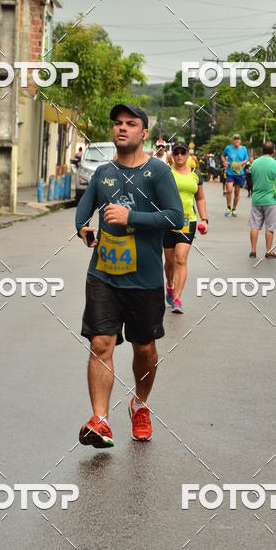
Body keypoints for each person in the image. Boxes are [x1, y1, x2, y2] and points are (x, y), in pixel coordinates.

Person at [75, 103, 184, 448]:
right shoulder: (103, 172)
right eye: (118, 123)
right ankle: (101, 420)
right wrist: (83, 227)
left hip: (145, 280)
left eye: (130, 123)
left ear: (143, 132)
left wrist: (132, 217)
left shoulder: (158, 173)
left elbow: (175, 218)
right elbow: (84, 208)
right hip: (104, 274)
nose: (122, 128)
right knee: (101, 343)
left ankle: (140, 404)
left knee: (144, 349)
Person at [164, 142, 208, 314]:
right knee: (169, 262)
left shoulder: (196, 175)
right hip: (167, 221)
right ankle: (169, 284)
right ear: (173, 155)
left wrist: (204, 219)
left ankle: (177, 299)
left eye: (183, 152)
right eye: (177, 153)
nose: (180, 156)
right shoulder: (166, 173)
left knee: (180, 258)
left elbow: (201, 198)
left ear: (188, 154)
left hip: (187, 222)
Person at [248, 141, 276, 259]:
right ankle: (268, 251)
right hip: (271, 200)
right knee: (270, 227)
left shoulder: (255, 163)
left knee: (254, 225)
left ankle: (253, 251)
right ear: (273, 152)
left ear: (262, 151)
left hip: (256, 199)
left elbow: (253, 177)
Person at [222, 133, 250, 218]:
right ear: (232, 140)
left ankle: (234, 209)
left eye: (238, 139)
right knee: (229, 189)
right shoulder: (228, 148)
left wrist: (242, 162)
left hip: (239, 173)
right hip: (230, 172)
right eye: (235, 139)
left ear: (240, 140)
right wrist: (225, 161)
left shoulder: (244, 149)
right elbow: (223, 156)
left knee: (237, 192)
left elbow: (246, 159)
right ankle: (228, 207)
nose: (237, 140)